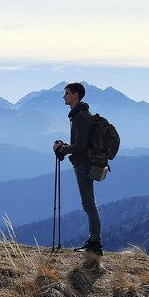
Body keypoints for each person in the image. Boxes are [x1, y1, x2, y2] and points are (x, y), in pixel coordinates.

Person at [53, 82, 103, 268]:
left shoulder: (80, 117)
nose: (64, 96)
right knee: (89, 203)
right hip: (85, 163)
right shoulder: (81, 115)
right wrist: (67, 147)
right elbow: (81, 143)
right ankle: (94, 241)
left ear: (75, 95)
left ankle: (95, 243)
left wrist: (62, 149)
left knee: (89, 204)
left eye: (66, 93)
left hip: (83, 165)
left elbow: (80, 146)